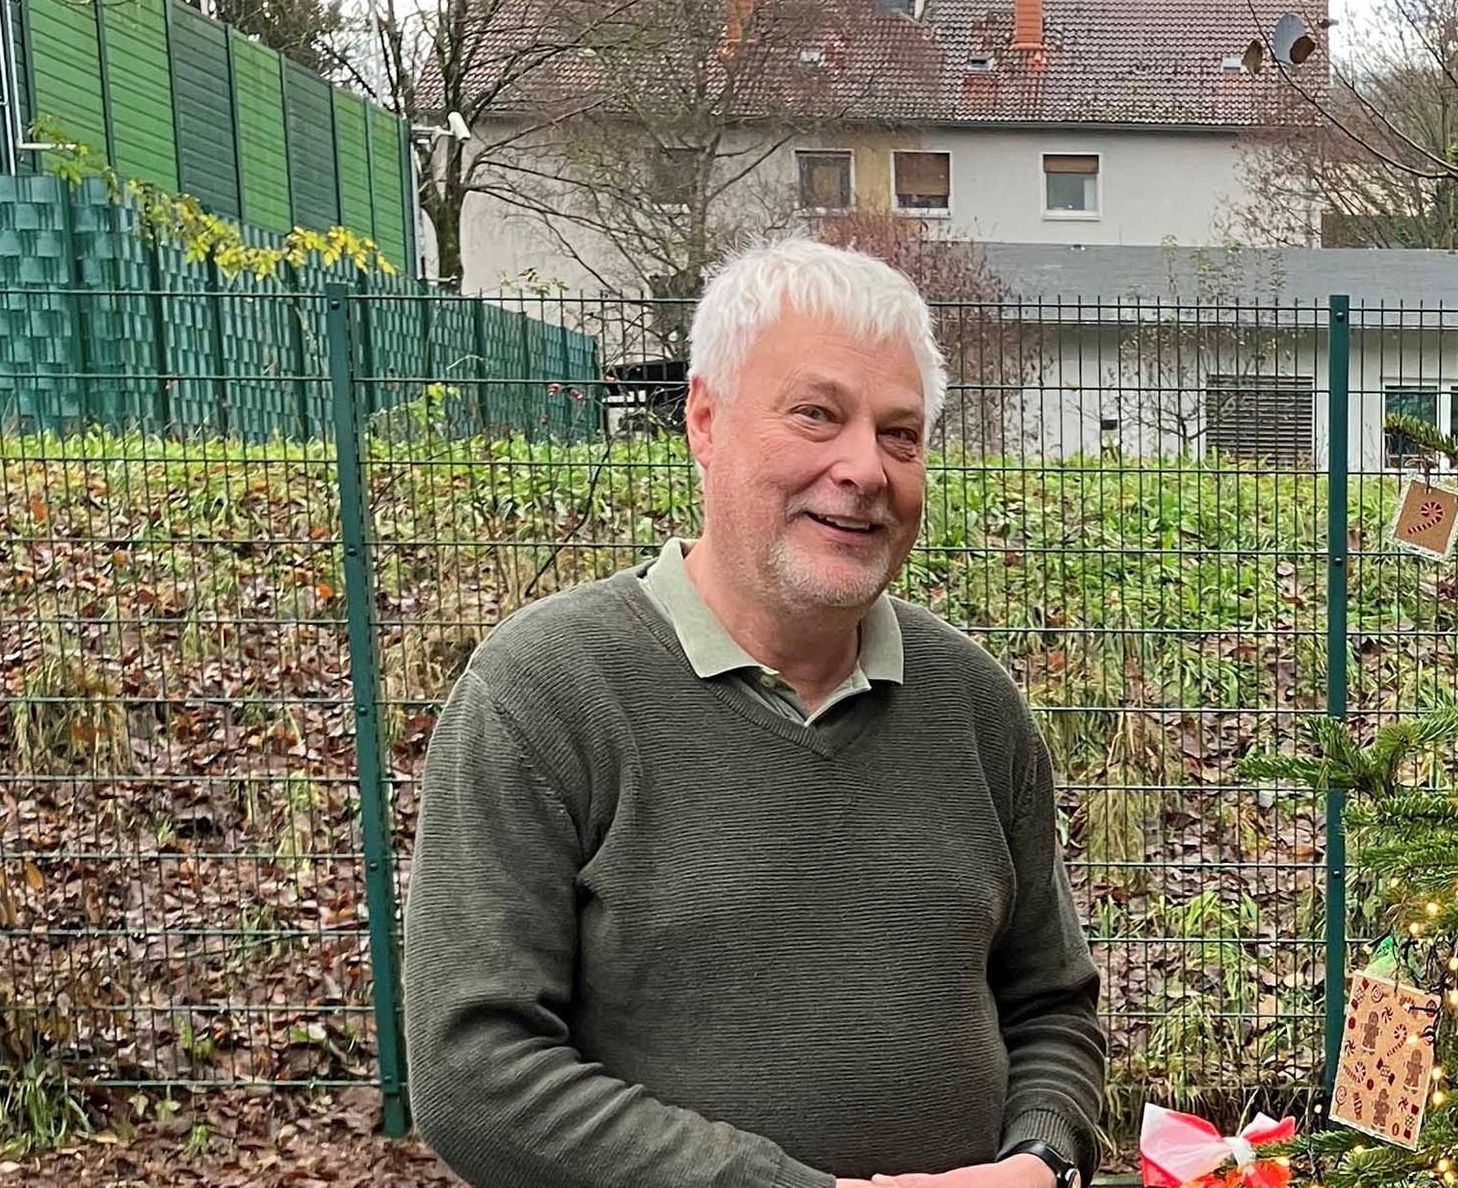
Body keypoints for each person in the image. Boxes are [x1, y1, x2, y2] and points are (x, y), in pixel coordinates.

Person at [404, 238, 1106, 1188]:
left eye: (901, 435)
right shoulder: (544, 695)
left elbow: (1051, 1008)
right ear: (705, 418)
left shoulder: (975, 707)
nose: (865, 468)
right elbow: (473, 1075)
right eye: (817, 415)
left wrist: (1040, 1160)